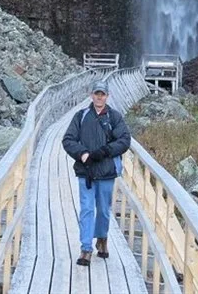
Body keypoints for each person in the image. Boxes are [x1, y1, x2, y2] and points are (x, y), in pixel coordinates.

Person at [61, 80, 131, 266]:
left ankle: (102, 238)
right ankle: (86, 248)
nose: (99, 97)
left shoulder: (115, 117)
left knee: (104, 211)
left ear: (107, 96)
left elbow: (125, 140)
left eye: (103, 94)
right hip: (87, 170)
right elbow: (68, 139)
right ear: (91, 95)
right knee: (86, 209)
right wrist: (83, 154)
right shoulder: (81, 116)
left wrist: (106, 151)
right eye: (96, 93)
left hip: (107, 171)